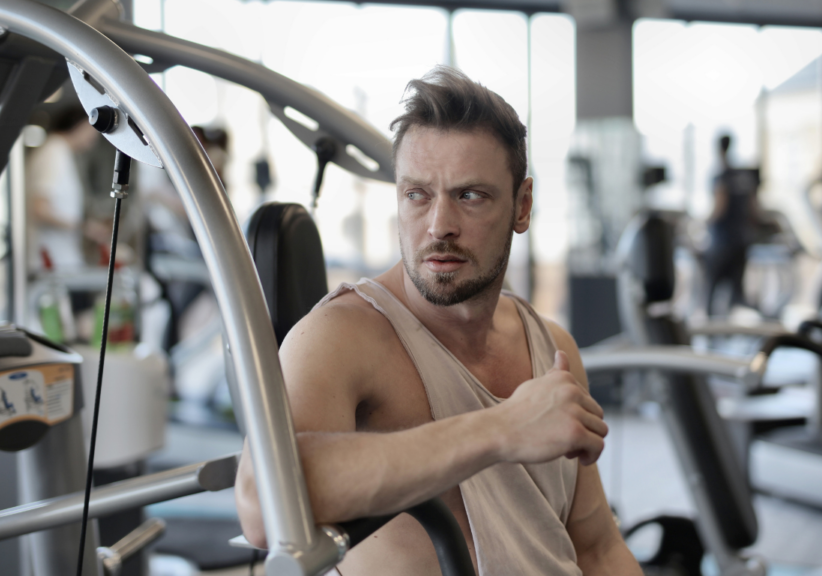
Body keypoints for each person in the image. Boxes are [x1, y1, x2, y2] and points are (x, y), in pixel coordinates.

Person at [235, 67, 641, 575]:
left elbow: (598, 549)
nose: (439, 225)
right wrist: (504, 427)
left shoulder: (551, 347)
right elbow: (258, 505)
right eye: (417, 194)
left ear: (523, 205)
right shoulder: (342, 337)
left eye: (470, 196)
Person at [26, 105, 100, 274]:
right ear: (79, 125)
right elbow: (39, 208)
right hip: (51, 258)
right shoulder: (53, 151)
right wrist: (84, 227)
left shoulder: (62, 152)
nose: (95, 137)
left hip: (62, 257)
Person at [704, 134, 760, 316]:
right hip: (742, 240)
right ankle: (734, 329)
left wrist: (701, 223)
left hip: (722, 241)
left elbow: (720, 208)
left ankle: (711, 333)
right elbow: (754, 210)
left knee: (711, 290)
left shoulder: (721, 176)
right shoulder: (745, 176)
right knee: (736, 291)